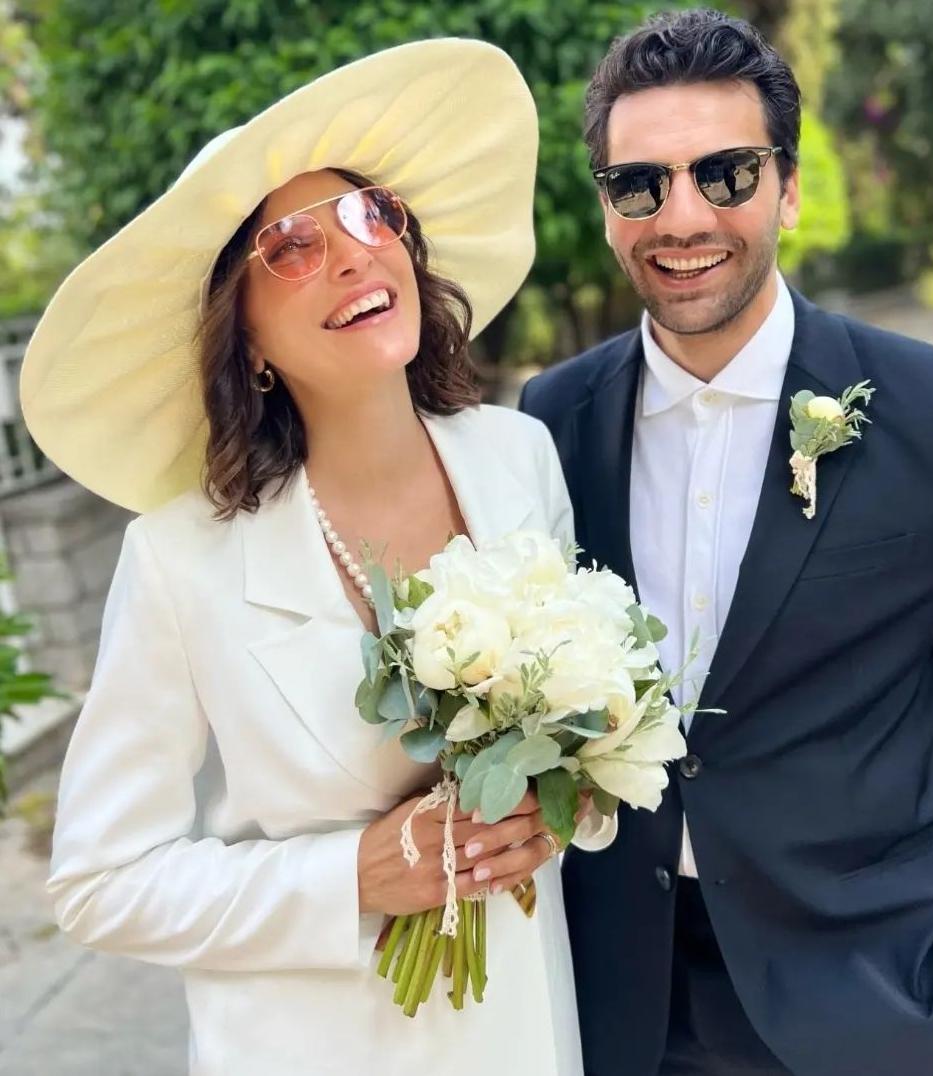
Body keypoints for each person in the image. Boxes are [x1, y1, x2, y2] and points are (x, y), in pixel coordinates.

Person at [520, 10, 933, 1076]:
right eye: (640, 184)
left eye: (724, 173)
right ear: (607, 207)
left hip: (874, 1003)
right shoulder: (552, 420)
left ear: (788, 188)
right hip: (616, 1009)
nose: (682, 216)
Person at [28, 40, 589, 1076]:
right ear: (245, 341)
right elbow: (100, 881)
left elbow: (579, 747)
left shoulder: (520, 457)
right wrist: (349, 878)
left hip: (524, 1027)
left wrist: (566, 807)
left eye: (371, 215)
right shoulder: (180, 560)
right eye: (289, 247)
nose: (353, 254)